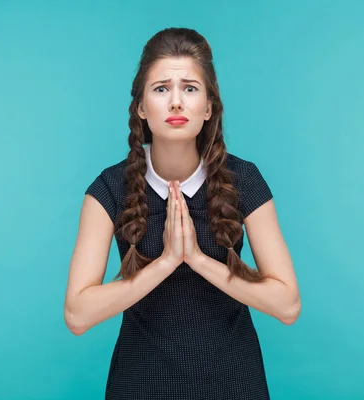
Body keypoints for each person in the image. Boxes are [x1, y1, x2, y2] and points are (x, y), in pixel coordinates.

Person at [64, 27, 300, 400]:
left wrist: (199, 260)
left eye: (190, 88)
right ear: (141, 106)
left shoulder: (245, 180)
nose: (176, 102)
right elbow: (77, 315)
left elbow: (287, 305)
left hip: (235, 385)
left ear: (208, 107)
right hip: (139, 385)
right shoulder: (109, 190)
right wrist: (165, 263)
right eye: (161, 89)